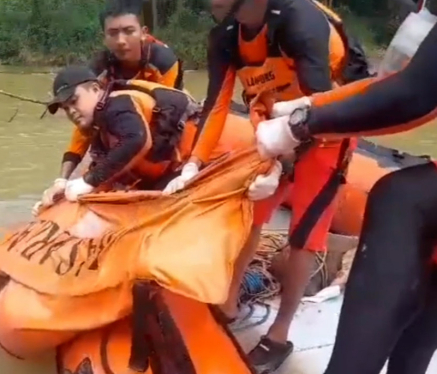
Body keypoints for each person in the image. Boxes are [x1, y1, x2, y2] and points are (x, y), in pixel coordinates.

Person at [161, 0, 371, 370]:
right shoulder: (226, 35)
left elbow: (319, 109)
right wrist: (193, 164)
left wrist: (282, 165)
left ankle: (279, 334)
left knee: (304, 233)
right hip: (274, 127)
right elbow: (216, 104)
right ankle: (228, 301)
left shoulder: (299, 22)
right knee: (253, 213)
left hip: (327, 130)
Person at [254, 4, 437, 372]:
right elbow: (396, 84)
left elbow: (413, 94)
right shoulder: (227, 40)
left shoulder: (301, 24)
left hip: (322, 147)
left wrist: (303, 123)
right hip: (306, 130)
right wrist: (311, 107)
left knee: (399, 198)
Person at [38, 1, 185, 213]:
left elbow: (168, 112)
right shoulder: (98, 69)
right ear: (104, 38)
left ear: (143, 33)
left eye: (128, 31)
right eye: (113, 33)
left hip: (163, 108)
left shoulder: (163, 61)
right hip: (121, 115)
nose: (121, 41)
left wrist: (98, 177)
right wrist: (63, 179)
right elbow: (85, 122)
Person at [33, 65, 202, 214]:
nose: (71, 111)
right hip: (170, 167)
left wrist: (89, 181)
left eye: (74, 101)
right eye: (65, 108)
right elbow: (107, 161)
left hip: (204, 153)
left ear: (94, 89)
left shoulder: (117, 105)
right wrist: (63, 185)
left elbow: (137, 140)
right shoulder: (98, 123)